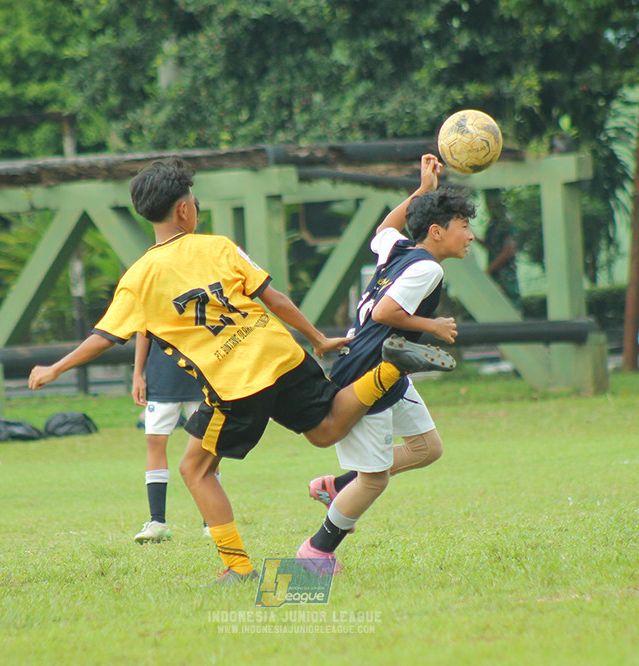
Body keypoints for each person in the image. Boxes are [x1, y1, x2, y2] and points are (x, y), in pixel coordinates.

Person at [28, 156, 454, 584]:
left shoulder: (138, 278)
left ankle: (237, 568)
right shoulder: (218, 246)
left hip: (235, 382)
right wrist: (316, 338)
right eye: (194, 201)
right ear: (183, 210)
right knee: (326, 430)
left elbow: (104, 336)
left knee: (194, 470)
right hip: (280, 353)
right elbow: (276, 298)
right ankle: (386, 371)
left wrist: (57, 368)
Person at [299, 154, 476, 574]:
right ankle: (317, 551)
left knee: (426, 448)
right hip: (366, 374)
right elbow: (384, 312)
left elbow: (383, 229)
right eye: (464, 226)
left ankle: (337, 486)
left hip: (386, 368)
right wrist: (431, 324)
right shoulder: (427, 268)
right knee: (374, 481)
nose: (470, 235)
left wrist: (422, 192)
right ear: (437, 232)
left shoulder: (398, 248)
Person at [130, 335, 204, 544]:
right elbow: (143, 330)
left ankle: (211, 522)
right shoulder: (150, 301)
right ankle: (157, 522)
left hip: (200, 374)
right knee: (154, 442)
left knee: (206, 444)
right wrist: (137, 373)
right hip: (161, 377)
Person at [479, 188, 521, 310]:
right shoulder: (493, 224)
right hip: (494, 274)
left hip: (505, 275)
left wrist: (489, 270)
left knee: (509, 304)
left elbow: (508, 251)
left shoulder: (506, 223)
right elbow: (490, 246)